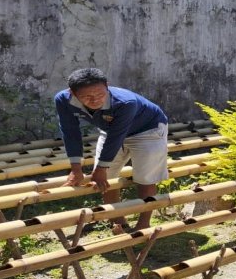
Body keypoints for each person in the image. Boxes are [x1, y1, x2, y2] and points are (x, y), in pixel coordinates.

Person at [54, 68, 170, 231]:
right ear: (72, 93)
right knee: (105, 178)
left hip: (148, 130)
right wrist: (75, 168)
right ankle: (117, 220)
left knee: (145, 177)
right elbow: (70, 132)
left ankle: (143, 224)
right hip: (110, 130)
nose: (95, 100)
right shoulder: (63, 100)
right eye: (87, 97)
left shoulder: (125, 102)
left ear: (107, 86)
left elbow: (116, 137)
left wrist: (102, 167)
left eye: (100, 94)